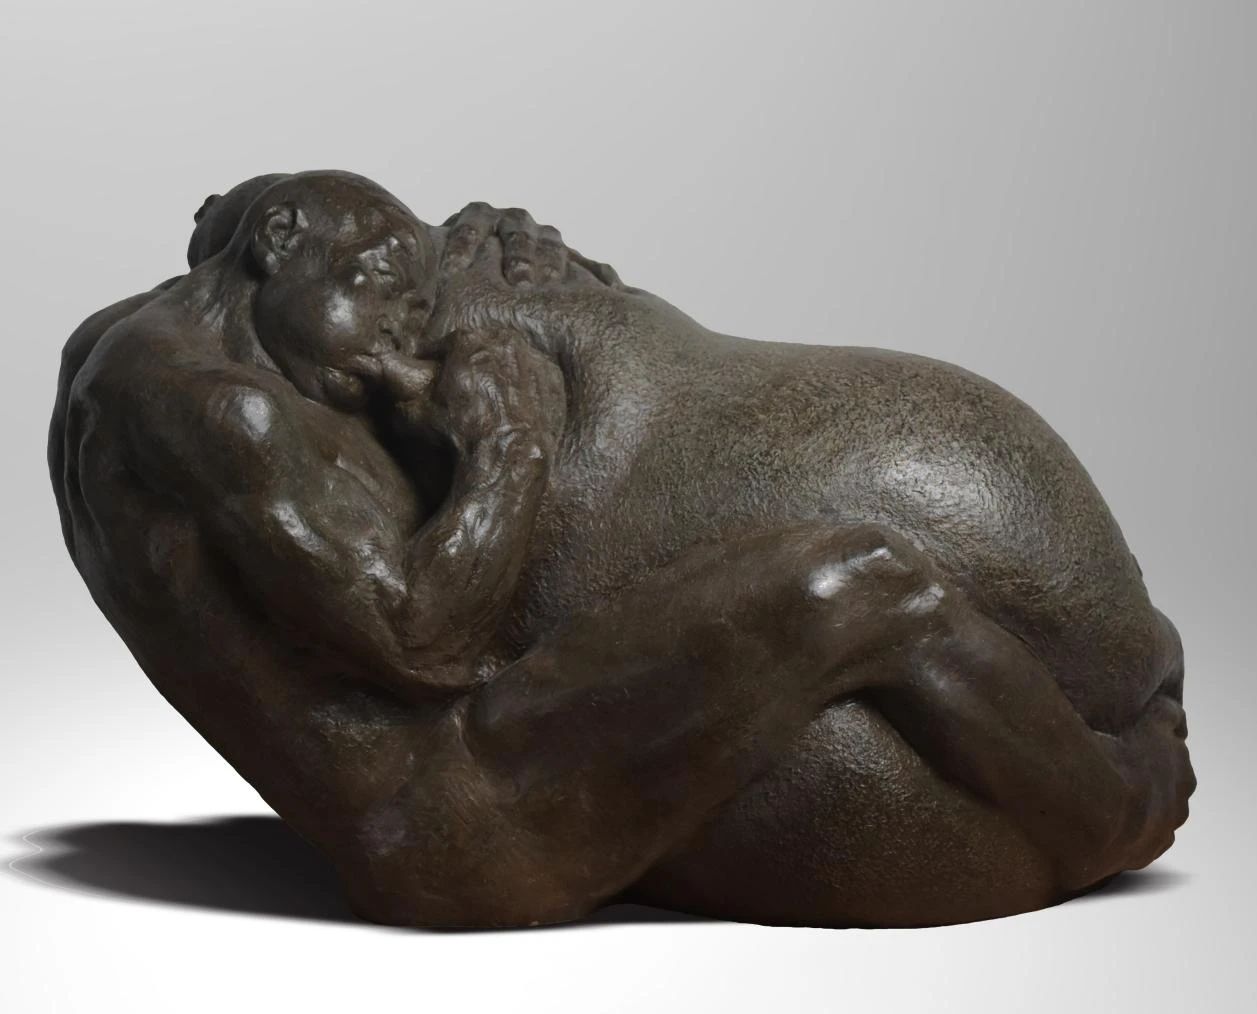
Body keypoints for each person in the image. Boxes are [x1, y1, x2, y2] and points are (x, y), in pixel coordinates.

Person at [51, 171, 1193, 928]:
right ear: (281, 241)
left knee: (847, 597)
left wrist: (455, 261)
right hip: (454, 818)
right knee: (856, 581)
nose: (404, 327)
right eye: (385, 286)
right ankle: (1116, 810)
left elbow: (260, 228)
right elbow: (420, 641)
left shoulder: (119, 360)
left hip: (462, 771)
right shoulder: (222, 413)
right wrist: (510, 440)